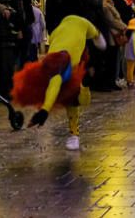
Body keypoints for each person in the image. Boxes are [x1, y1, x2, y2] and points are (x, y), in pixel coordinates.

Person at [12, 15, 106, 151]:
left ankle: (74, 133)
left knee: (74, 97)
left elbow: (56, 86)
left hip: (71, 53)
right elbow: (53, 84)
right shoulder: (57, 45)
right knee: (69, 93)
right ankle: (74, 134)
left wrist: (45, 110)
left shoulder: (80, 25)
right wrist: (45, 110)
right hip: (61, 55)